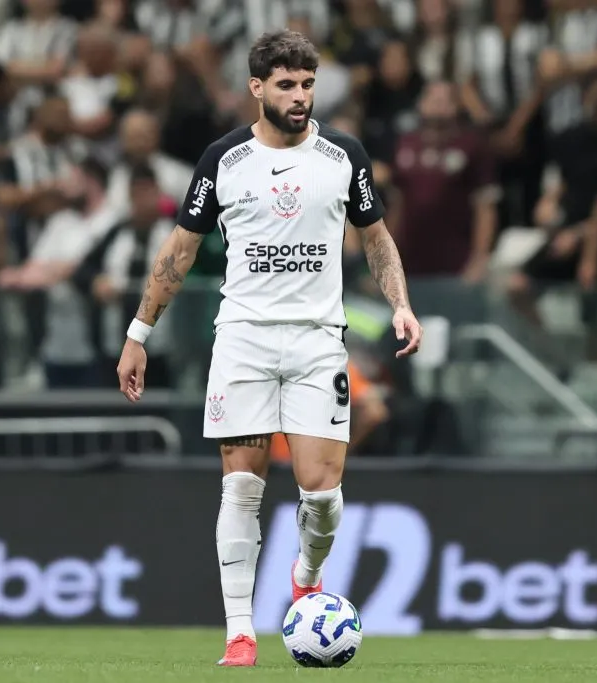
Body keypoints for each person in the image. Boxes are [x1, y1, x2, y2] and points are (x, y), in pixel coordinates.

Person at [113, 30, 422, 667]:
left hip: (317, 343)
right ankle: (240, 632)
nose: (300, 96)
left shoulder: (344, 156)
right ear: (257, 88)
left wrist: (401, 304)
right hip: (244, 342)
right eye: (286, 84)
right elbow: (179, 252)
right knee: (242, 489)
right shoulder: (224, 160)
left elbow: (377, 238)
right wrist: (138, 334)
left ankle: (305, 579)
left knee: (322, 492)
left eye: (308, 84)